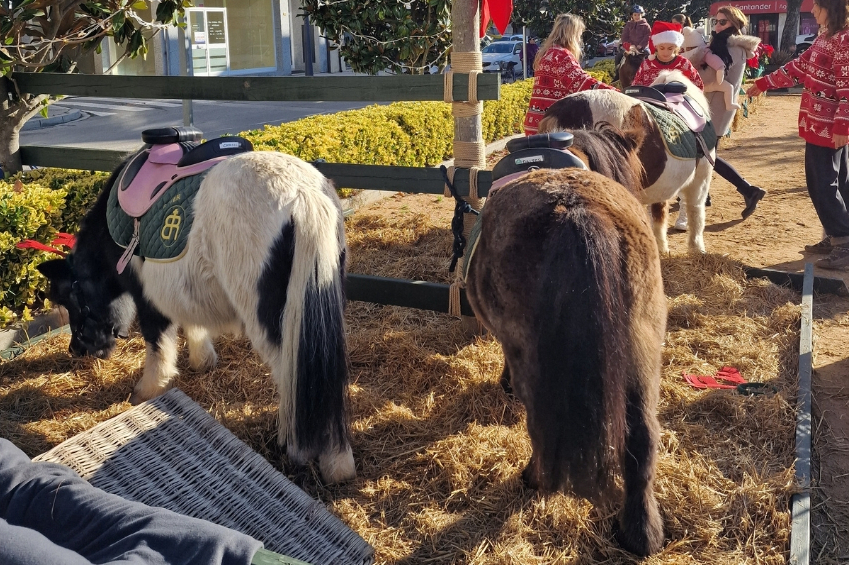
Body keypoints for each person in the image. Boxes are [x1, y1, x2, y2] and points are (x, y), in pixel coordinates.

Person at [747, 0, 849, 270]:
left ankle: (842, 241)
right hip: (819, 123)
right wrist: (764, 83)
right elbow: (800, 67)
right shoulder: (825, 36)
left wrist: (842, 125)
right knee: (837, 181)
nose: (813, 11)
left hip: (829, 126)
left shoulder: (844, 40)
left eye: (817, 6)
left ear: (832, 8)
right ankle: (836, 234)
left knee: (822, 183)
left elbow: (847, 86)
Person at [676, 8, 766, 228]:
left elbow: (712, 75)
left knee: (705, 155)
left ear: (734, 23)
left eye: (723, 22)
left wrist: (689, 68)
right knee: (706, 155)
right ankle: (714, 195)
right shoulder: (724, 44)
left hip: (717, 107)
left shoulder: (732, 46)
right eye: (716, 21)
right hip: (713, 105)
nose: (717, 26)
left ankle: (748, 190)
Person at [523, 14, 617, 136]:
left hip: (535, 123)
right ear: (571, 34)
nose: (579, 40)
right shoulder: (562, 56)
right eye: (579, 35)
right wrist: (614, 93)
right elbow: (582, 83)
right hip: (552, 126)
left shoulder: (546, 54)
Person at [631, 21, 704, 88]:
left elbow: (698, 87)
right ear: (656, 46)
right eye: (662, 48)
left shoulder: (684, 64)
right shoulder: (646, 65)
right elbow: (636, 89)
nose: (665, 52)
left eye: (670, 48)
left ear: (676, 47)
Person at [615, 5, 652, 81]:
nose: (637, 16)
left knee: (649, 56)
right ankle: (617, 75)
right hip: (630, 47)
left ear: (642, 15)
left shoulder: (646, 26)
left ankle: (650, 74)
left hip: (641, 47)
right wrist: (630, 45)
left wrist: (641, 45)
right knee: (618, 57)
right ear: (632, 15)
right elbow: (624, 36)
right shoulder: (628, 25)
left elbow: (647, 36)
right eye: (635, 15)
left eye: (639, 15)